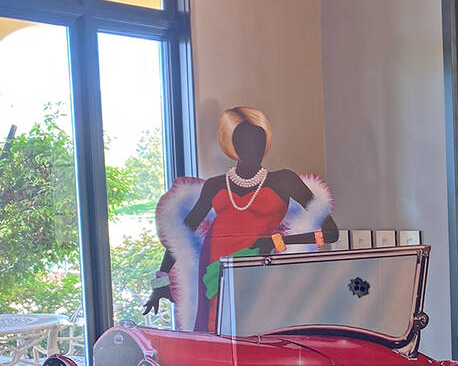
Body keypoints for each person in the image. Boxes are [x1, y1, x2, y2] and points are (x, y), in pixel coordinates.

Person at [143, 106, 337, 331]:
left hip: (260, 269)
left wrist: (277, 242)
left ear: (265, 143)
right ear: (232, 145)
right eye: (243, 140)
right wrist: (159, 284)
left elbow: (330, 234)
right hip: (215, 270)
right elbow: (180, 237)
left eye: (258, 140)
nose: (251, 147)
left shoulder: (284, 180)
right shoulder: (214, 185)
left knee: (260, 334)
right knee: (217, 334)